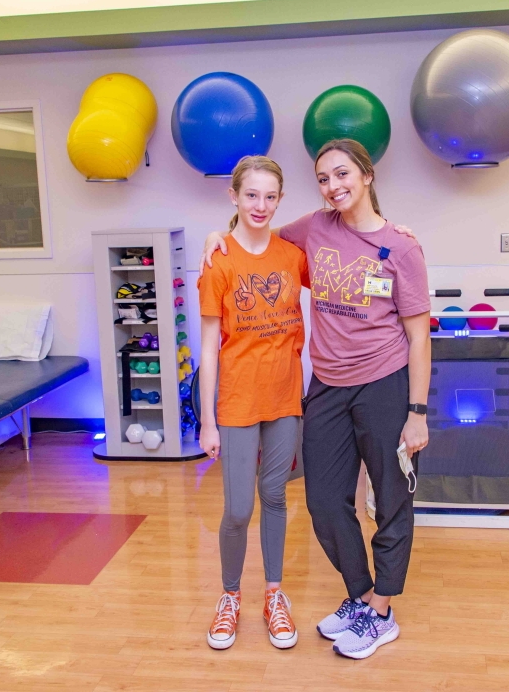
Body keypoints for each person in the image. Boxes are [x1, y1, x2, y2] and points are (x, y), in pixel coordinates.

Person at [201, 139, 431, 659]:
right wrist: (217, 233)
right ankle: (360, 592)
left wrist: (417, 412)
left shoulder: (403, 247)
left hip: (384, 383)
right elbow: (256, 238)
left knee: (390, 500)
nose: (333, 186)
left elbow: (419, 335)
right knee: (325, 500)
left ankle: (382, 609)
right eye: (323, 178)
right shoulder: (314, 228)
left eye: (342, 174)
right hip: (326, 386)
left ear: (367, 175)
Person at [198, 155, 309, 651]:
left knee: (277, 499)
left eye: (270, 196)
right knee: (239, 508)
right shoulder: (218, 261)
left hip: (285, 399)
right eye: (251, 195)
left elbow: (343, 256)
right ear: (234, 197)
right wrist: (207, 421)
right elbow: (207, 346)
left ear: (280, 200)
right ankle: (229, 596)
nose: (260, 205)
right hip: (237, 403)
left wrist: (394, 233)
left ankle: (274, 594)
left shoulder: (291, 256)